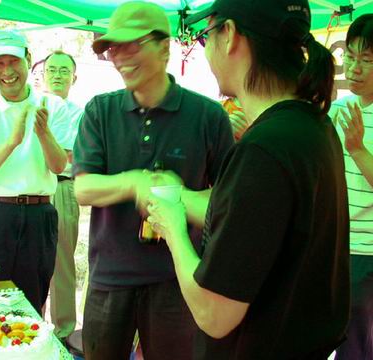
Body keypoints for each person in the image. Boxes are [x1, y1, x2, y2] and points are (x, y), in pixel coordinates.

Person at [146, 0, 350, 359]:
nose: (206, 49)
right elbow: (254, 218)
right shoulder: (310, 127)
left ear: (229, 36)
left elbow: (214, 314)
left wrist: (174, 231)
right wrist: (178, 197)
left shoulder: (264, 150)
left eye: (206, 35)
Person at [73, 2, 234, 359]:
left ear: (165, 47)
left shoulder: (208, 116)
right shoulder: (100, 111)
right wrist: (135, 183)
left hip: (179, 278)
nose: (120, 57)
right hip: (109, 277)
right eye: (114, 48)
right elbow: (82, 188)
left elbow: (227, 203)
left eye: (133, 44)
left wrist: (178, 198)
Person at [0, 29, 69, 315]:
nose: (7, 71)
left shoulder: (54, 107)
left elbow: (59, 166)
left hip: (38, 215)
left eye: (14, 61)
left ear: (28, 61)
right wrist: (12, 141)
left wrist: (43, 133)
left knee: (31, 306)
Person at [329, 14, 373, 360]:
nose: (355, 68)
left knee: (356, 348)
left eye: (367, 60)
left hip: (366, 251)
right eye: (351, 57)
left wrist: (358, 149)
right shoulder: (338, 109)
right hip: (334, 244)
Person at [43, 50, 83, 341]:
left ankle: (64, 331)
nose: (57, 75)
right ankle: (29, 324)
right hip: (29, 189)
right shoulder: (31, 105)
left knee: (62, 264)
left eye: (63, 71)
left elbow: (66, 154)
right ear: (42, 75)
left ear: (74, 77)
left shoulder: (78, 113)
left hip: (61, 187)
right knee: (29, 261)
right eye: (52, 70)